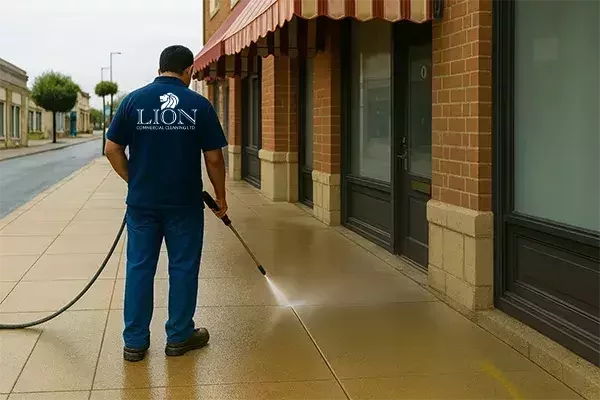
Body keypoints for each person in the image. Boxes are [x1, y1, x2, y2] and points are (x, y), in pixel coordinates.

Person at [105, 45, 228, 362]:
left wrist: (135, 180)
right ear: (188, 71)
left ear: (160, 68)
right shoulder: (199, 105)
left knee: (139, 269)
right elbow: (214, 158)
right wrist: (221, 197)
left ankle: (134, 343)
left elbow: (111, 149)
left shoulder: (133, 101)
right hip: (184, 204)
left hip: (142, 205)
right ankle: (179, 336)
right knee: (184, 268)